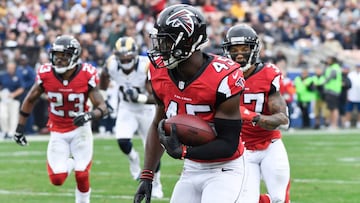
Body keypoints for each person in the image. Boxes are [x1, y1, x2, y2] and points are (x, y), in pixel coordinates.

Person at [134, 4, 246, 203]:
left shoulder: (223, 76)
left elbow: (229, 144)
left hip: (225, 169)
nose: (160, 49)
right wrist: (147, 175)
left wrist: (184, 151)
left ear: (188, 42)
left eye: (166, 42)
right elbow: (158, 123)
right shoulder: (159, 72)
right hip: (191, 168)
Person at [13, 35, 108, 203]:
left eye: (64, 56)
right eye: (56, 55)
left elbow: (102, 107)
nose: (59, 60)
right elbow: (29, 100)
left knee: (82, 173)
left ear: (75, 56)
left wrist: (89, 115)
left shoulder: (87, 73)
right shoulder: (46, 73)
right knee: (57, 179)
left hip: (81, 131)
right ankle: (71, 163)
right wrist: (20, 129)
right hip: (57, 130)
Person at [222, 24, 290, 203]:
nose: (239, 54)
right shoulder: (221, 76)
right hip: (242, 149)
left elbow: (282, 119)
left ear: (254, 50)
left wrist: (251, 115)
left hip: (270, 144)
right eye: (234, 49)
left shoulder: (268, 74)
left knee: (279, 198)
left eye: (245, 49)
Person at [99, 36, 163, 198]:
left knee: (152, 148)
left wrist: (138, 97)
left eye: (128, 56)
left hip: (146, 109)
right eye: (122, 56)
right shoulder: (111, 64)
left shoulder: (145, 66)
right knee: (122, 140)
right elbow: (103, 81)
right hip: (126, 108)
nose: (126, 59)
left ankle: (156, 184)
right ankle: (134, 160)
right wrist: (105, 91)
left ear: (135, 54)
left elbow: (156, 97)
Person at [0, 61, 25, 139]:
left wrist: (13, 94)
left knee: (13, 116)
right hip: (4, 99)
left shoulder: (19, 76)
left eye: (12, 68)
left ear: (14, 68)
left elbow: (21, 88)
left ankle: (12, 133)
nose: (10, 69)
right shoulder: (3, 76)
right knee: (2, 115)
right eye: (9, 68)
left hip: (14, 99)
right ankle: (5, 131)